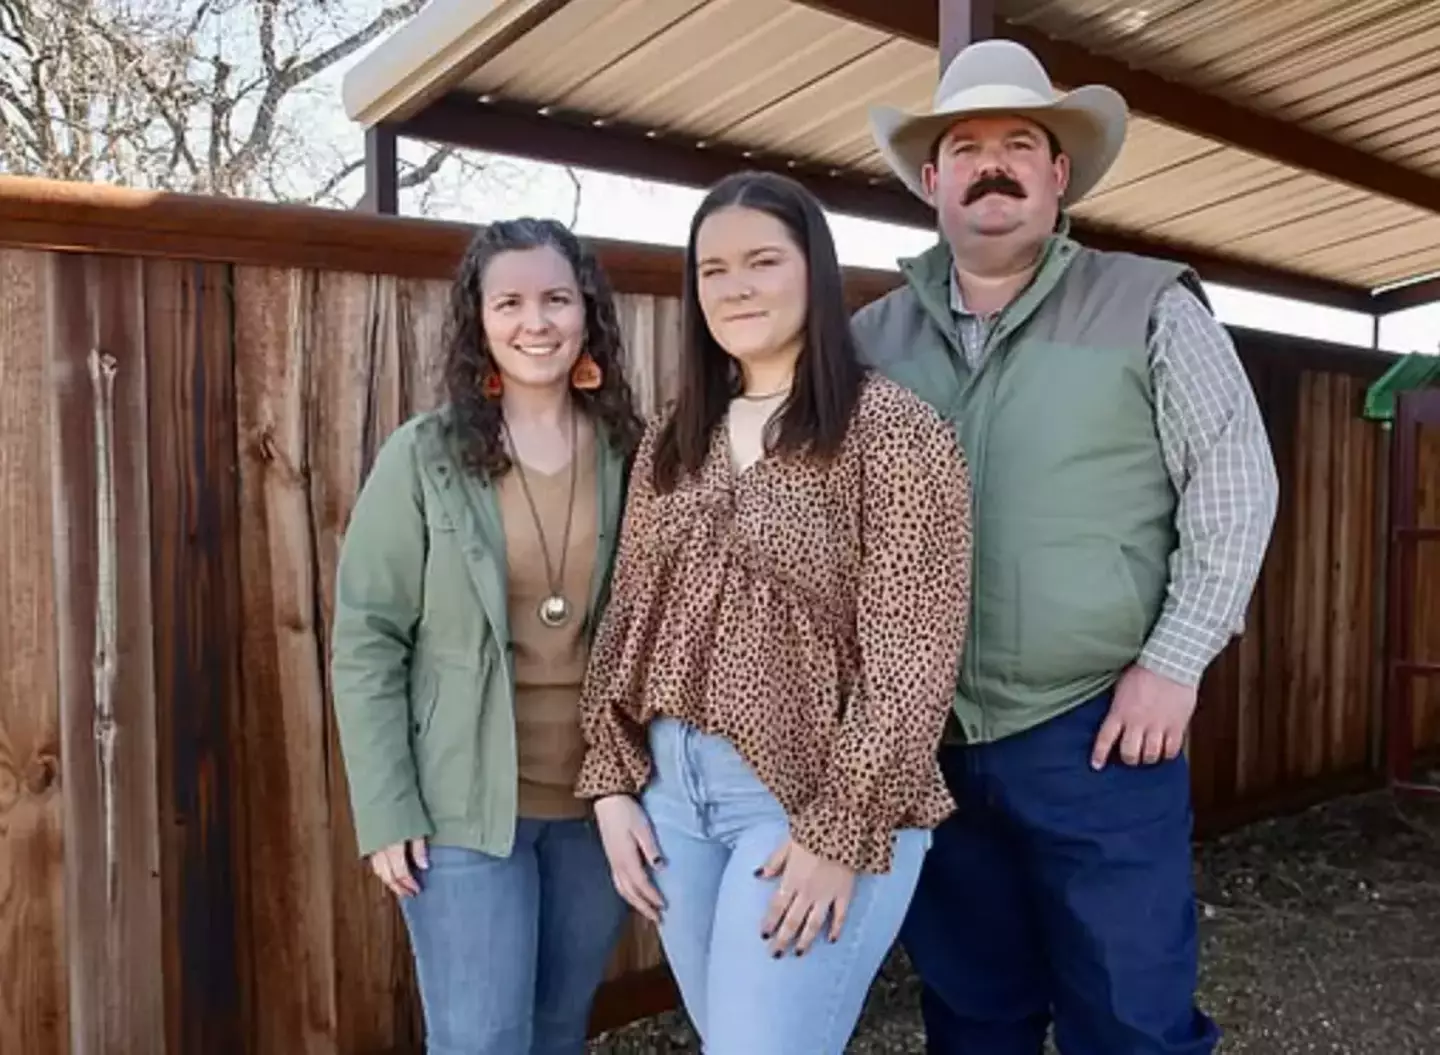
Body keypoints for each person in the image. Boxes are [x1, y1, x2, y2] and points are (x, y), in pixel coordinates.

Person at [851, 39, 1280, 1055]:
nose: (991, 163)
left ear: (1058, 173)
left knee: (1131, 1019)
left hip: (1099, 733)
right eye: (966, 146)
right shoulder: (869, 340)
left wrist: (1174, 666)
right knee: (972, 1018)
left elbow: (1236, 487)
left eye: (1019, 143)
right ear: (932, 181)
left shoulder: (1150, 306)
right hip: (933, 742)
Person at [573, 170, 973, 1054]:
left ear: (815, 273)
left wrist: (840, 827)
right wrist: (611, 779)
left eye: (761, 260)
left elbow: (912, 656)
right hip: (674, 798)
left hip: (806, 798)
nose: (736, 286)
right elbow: (629, 612)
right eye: (713, 270)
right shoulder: (679, 434)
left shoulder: (892, 431)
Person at [329, 217, 645, 1055]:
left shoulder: (632, 453)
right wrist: (386, 804)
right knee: (481, 1040)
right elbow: (368, 638)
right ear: (477, 318)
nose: (534, 322)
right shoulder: (425, 455)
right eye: (509, 301)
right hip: (463, 810)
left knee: (557, 1029)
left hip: (597, 807)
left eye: (555, 299)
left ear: (588, 314)